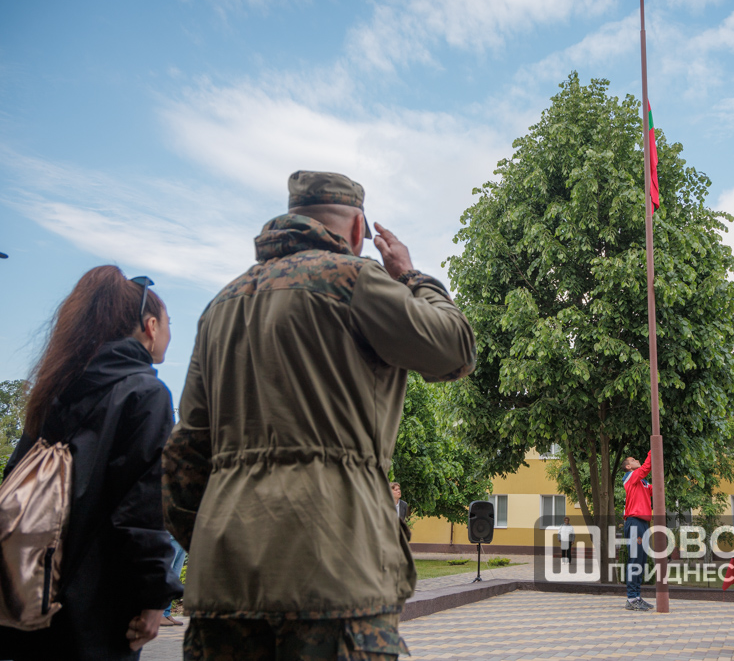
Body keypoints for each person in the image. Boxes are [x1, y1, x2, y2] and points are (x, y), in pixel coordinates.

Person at [162, 170, 476, 660]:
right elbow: (455, 349)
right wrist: (411, 276)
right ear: (358, 229)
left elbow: (183, 457)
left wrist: (217, 538)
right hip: (336, 572)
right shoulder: (354, 280)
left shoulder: (221, 306)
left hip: (223, 585)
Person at [0, 266, 183, 660]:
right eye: (170, 322)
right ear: (150, 327)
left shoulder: (54, 388)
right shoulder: (146, 394)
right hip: (100, 607)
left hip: (32, 594)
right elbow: (142, 510)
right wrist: (154, 597)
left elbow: (14, 476)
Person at [621, 451, 653, 611]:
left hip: (643, 523)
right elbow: (646, 468)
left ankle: (637, 597)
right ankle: (632, 598)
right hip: (634, 522)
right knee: (635, 559)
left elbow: (656, 490)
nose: (637, 460)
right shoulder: (630, 477)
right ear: (628, 466)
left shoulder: (643, 483)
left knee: (641, 560)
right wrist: (653, 451)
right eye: (633, 459)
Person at [162, 534, 186, 626]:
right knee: (166, 576)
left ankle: (166, 613)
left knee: (174, 577)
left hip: (181, 536)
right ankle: (159, 614)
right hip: (168, 535)